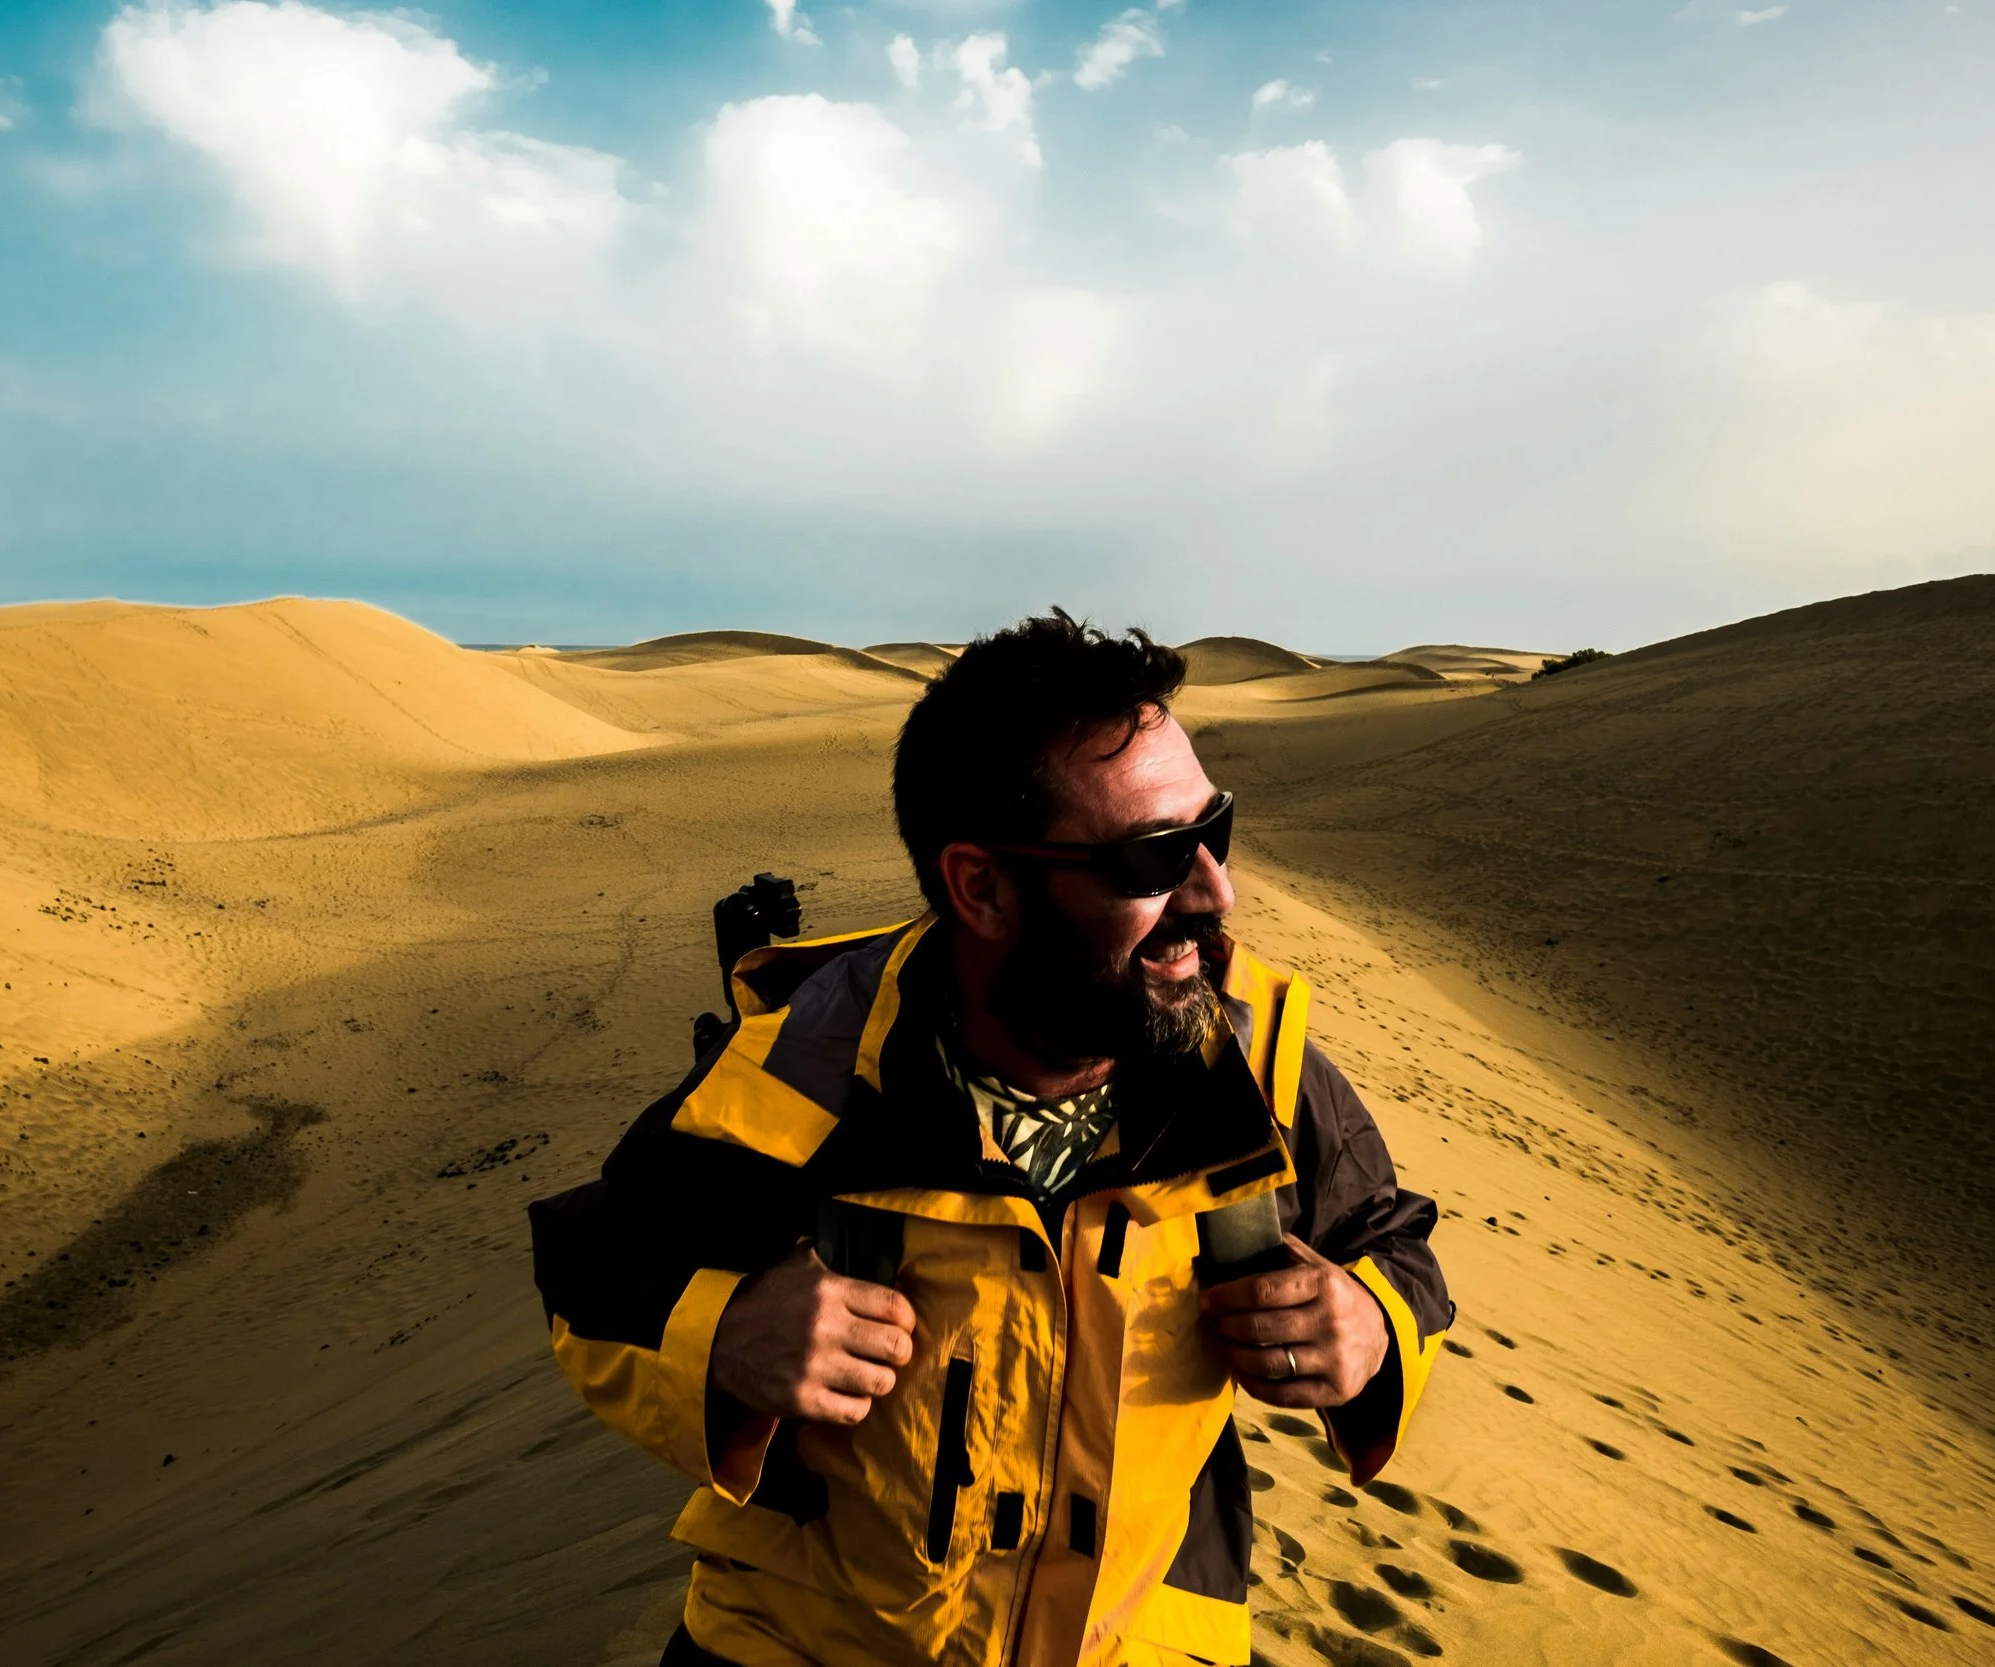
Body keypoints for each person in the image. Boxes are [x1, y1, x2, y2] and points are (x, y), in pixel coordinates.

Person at [529, 612, 1451, 1667]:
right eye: (1154, 857)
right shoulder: (803, 1075)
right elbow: (592, 1267)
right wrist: (724, 1332)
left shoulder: (1251, 1064)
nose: (1215, 891)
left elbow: (1393, 1241)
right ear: (982, 886)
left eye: (1215, 831)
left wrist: (1369, 1326)